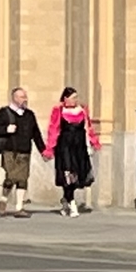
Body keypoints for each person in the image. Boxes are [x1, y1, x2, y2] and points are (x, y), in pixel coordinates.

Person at [0, 87, 46, 218]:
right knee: (12, 176)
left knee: (22, 179)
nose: (25, 99)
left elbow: (36, 134)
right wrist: (6, 129)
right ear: (15, 98)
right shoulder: (4, 113)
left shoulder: (29, 115)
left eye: (25, 97)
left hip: (25, 150)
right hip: (9, 150)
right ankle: (4, 199)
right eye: (22, 97)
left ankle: (19, 207)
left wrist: (43, 150)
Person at [45, 87, 101, 216]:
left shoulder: (82, 110)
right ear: (65, 98)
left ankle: (66, 200)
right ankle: (72, 203)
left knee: (76, 176)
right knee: (68, 174)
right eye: (73, 97)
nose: (76, 100)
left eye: (76, 97)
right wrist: (49, 148)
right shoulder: (58, 111)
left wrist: (94, 142)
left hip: (79, 147)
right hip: (65, 147)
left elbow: (89, 127)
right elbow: (53, 130)